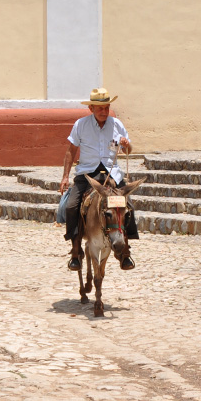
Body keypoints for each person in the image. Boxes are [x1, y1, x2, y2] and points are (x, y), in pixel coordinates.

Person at [59, 87, 138, 272]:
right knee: (72, 206)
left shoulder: (117, 124)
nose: (104, 111)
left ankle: (125, 251)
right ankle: (76, 250)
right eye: (99, 108)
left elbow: (128, 150)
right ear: (91, 108)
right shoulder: (81, 125)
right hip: (87, 174)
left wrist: (127, 145)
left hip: (112, 174)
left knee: (129, 206)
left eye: (106, 107)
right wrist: (64, 177)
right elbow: (71, 151)